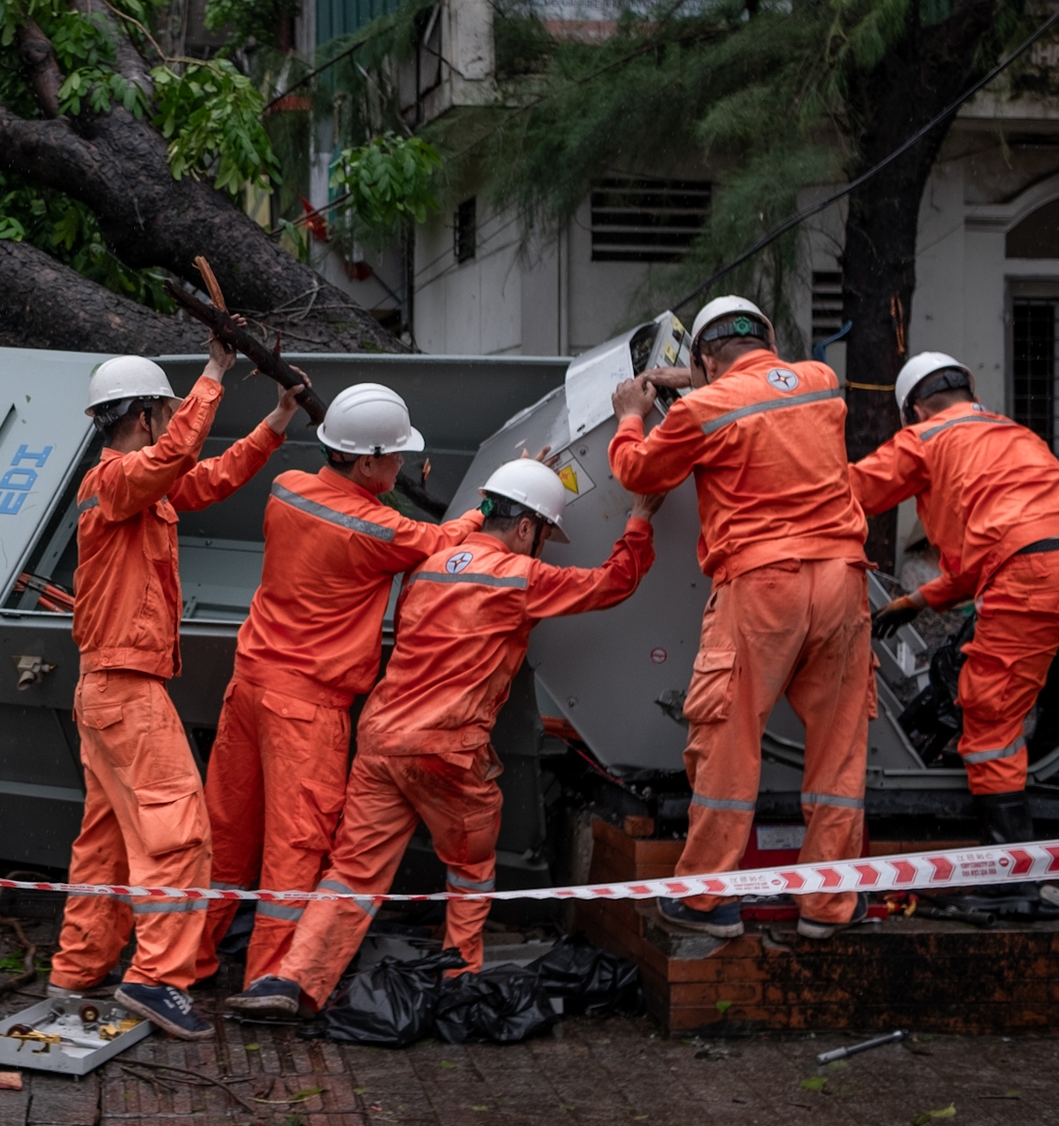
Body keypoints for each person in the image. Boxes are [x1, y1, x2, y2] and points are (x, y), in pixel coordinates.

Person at [225, 459, 660, 1016]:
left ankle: (293, 983)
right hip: (446, 750)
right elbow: (612, 582)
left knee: (353, 872)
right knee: (471, 866)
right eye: (545, 535)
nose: (543, 548)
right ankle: (459, 980)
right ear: (527, 528)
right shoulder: (518, 578)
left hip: (381, 740)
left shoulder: (428, 567)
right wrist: (640, 519)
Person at [46, 341, 308, 1039]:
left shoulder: (138, 488)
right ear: (144, 414)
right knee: (180, 834)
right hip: (126, 691)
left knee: (105, 842)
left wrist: (277, 421)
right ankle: (155, 979)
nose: (173, 422)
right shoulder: (117, 480)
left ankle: (77, 971)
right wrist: (215, 373)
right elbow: (171, 461)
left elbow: (209, 475)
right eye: (165, 410)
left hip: (106, 690)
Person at [198, 384, 485, 990]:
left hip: (248, 686)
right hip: (307, 708)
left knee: (225, 835)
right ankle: (270, 982)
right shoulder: (379, 529)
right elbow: (442, 541)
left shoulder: (286, 490)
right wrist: (485, 508)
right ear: (365, 461)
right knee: (294, 850)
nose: (402, 465)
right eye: (395, 456)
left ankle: (183, 963)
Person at [607, 297, 874, 941]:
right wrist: (697, 381)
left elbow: (635, 471)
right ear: (770, 338)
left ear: (701, 357)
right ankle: (829, 904)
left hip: (761, 586)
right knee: (839, 747)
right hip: (842, 578)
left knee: (728, 737)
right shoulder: (820, 382)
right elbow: (756, 399)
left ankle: (706, 900)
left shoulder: (701, 411)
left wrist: (632, 415)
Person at [860, 353, 1059, 849]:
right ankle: (1049, 751)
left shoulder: (923, 440)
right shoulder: (1011, 432)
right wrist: (917, 601)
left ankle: (1009, 872)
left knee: (987, 715)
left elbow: (848, 494)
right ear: (971, 391)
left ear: (915, 411)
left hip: (1039, 573)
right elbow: (992, 556)